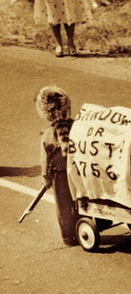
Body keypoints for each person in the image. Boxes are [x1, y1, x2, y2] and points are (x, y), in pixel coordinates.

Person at [34, 86, 78, 246]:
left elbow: (44, 159)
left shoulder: (47, 134)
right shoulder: (75, 125)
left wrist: (46, 177)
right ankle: (82, 226)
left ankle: (68, 236)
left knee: (63, 205)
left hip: (59, 174)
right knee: (79, 200)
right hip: (77, 170)